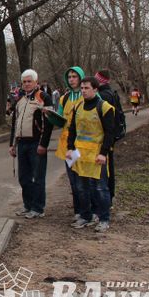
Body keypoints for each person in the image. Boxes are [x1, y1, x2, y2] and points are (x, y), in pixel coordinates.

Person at [66, 76, 116, 233]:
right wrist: (69, 148)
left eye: (86, 88)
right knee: (81, 187)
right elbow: (72, 129)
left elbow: (110, 133)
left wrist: (103, 153)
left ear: (95, 89)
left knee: (100, 188)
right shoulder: (78, 107)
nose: (83, 91)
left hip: (96, 155)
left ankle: (103, 218)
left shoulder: (105, 107)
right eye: (81, 88)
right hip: (79, 153)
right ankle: (85, 216)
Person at [8, 70, 53, 219]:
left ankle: (38, 208)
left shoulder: (43, 97)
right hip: (22, 143)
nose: (26, 84)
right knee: (23, 178)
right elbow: (15, 123)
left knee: (38, 177)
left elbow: (49, 123)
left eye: (29, 81)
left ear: (36, 82)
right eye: (24, 82)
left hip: (36, 143)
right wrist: (12, 144)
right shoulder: (20, 99)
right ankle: (27, 205)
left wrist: (43, 144)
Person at [55, 66, 86, 220]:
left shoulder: (88, 95)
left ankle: (90, 211)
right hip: (68, 145)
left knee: (84, 180)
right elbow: (60, 120)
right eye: (70, 77)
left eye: (75, 76)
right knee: (73, 180)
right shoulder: (64, 98)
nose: (72, 79)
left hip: (84, 145)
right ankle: (78, 211)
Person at [94, 70, 125, 205]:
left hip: (106, 137)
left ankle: (106, 199)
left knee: (105, 170)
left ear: (101, 80)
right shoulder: (112, 93)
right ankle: (109, 196)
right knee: (108, 167)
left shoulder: (103, 96)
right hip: (112, 136)